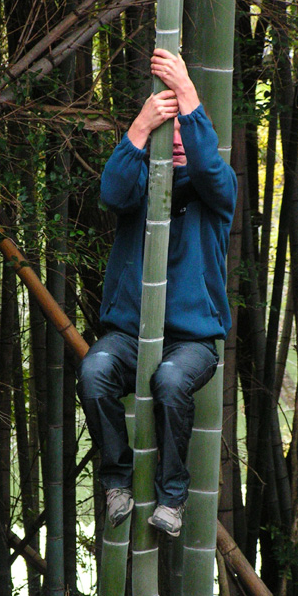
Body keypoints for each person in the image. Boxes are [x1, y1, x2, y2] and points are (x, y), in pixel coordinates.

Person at [76, 48, 237, 537]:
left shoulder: (217, 190)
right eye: (172, 132)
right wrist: (140, 128)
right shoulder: (141, 185)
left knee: (169, 382)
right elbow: (111, 191)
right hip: (128, 334)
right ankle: (116, 482)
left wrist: (186, 91)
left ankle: (172, 497)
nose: (179, 140)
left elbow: (209, 169)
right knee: (95, 369)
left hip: (191, 342)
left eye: (186, 129)